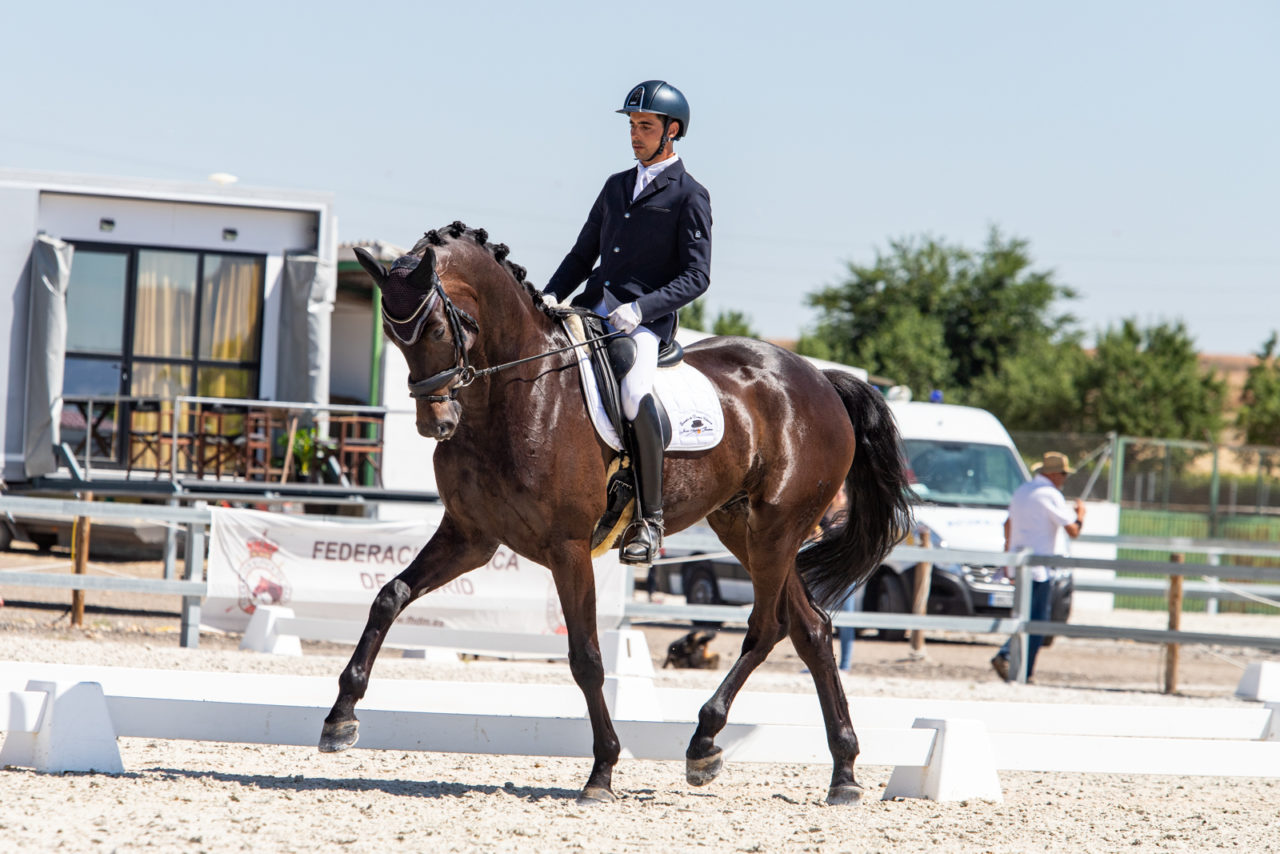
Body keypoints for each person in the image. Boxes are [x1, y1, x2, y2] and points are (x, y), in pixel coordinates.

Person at [541, 80, 712, 565]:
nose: (634, 135)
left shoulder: (688, 195)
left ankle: (650, 520)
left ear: (671, 131)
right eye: (632, 126)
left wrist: (641, 309)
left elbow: (697, 275)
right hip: (593, 305)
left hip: (643, 321)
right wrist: (551, 293)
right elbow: (582, 253)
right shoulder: (616, 185)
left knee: (635, 392)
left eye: (645, 126)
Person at [991, 451, 1085, 682]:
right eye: (1063, 474)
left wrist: (1007, 557)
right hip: (1038, 568)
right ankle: (1017, 665)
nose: (1064, 478)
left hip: (1018, 564)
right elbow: (1073, 530)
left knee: (1023, 616)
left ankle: (1016, 665)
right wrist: (1080, 514)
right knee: (1037, 622)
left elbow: (1008, 525)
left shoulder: (1022, 491)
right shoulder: (1050, 495)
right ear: (1053, 474)